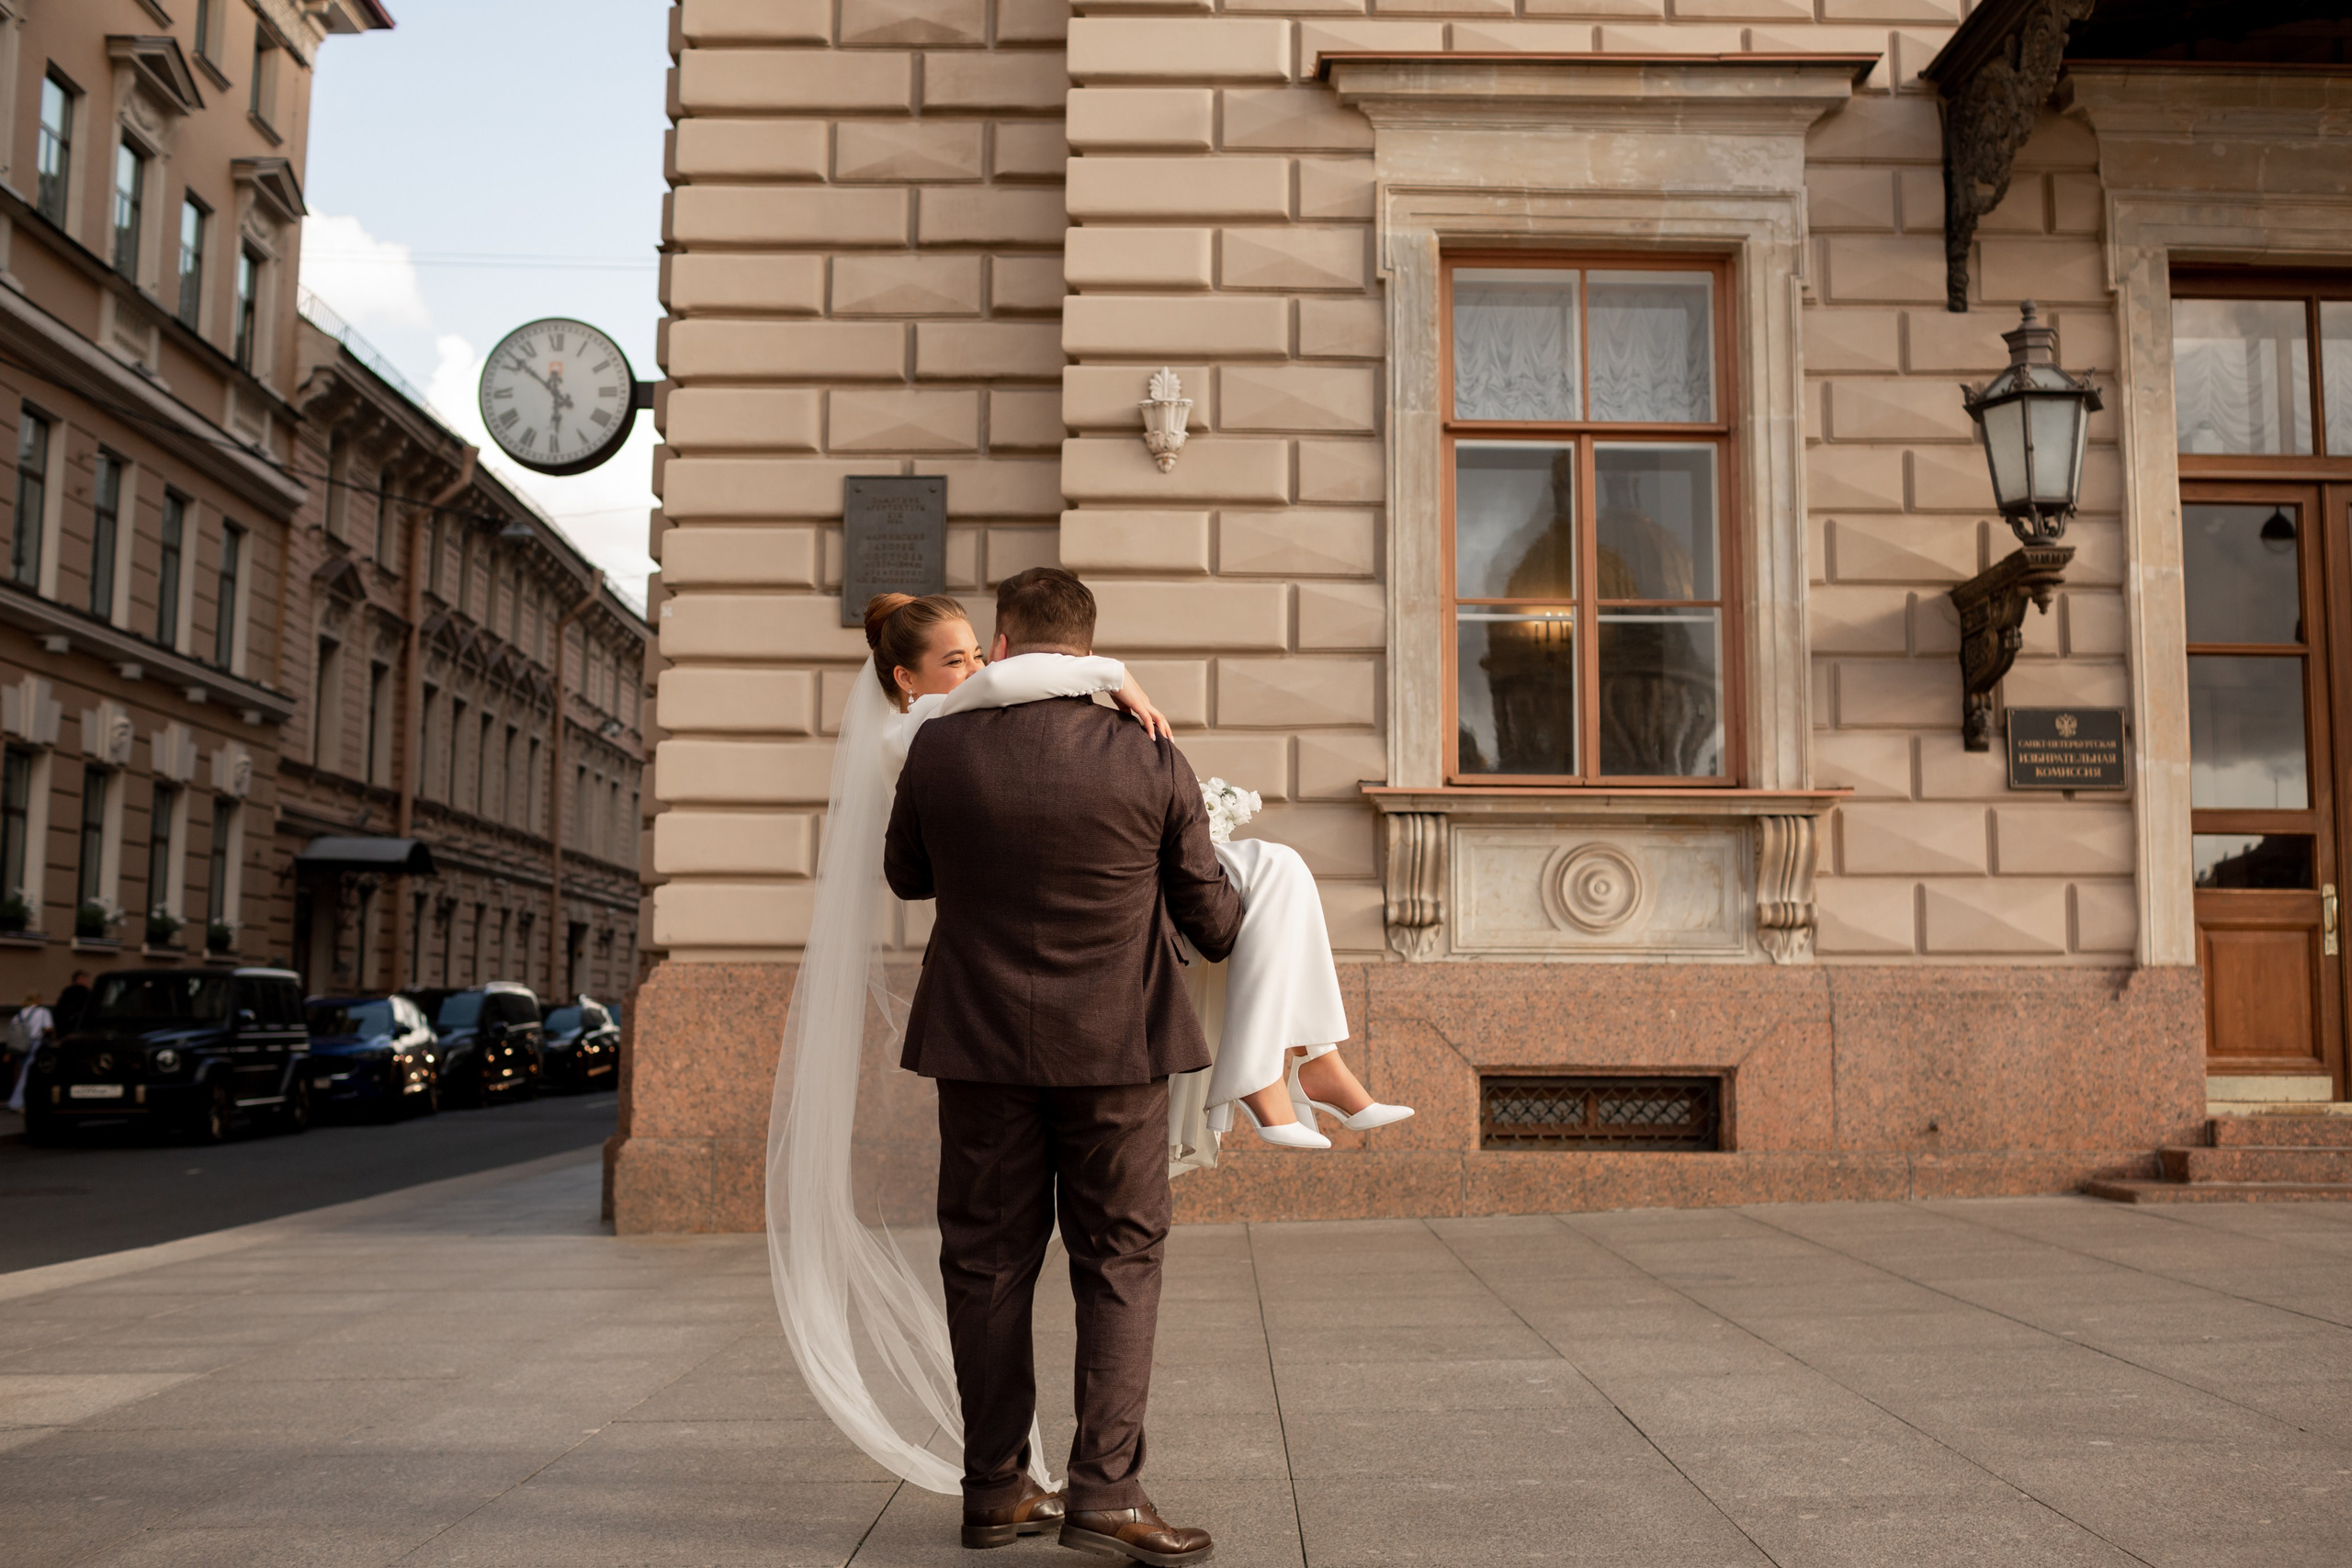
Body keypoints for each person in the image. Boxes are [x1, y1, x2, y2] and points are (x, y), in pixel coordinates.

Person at [6, 992, 51, 1113]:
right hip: (35, 1042)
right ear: (38, 1000)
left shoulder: (20, 1013)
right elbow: (48, 1028)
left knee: (22, 1072)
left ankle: (22, 1100)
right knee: (27, 1074)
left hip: (20, 1044)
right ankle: (16, 1102)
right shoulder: (43, 1012)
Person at [52, 970, 92, 1035]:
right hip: (76, 1025)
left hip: (63, 1025)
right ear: (78, 979)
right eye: (84, 979)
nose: (86, 982)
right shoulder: (84, 992)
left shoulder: (67, 991)